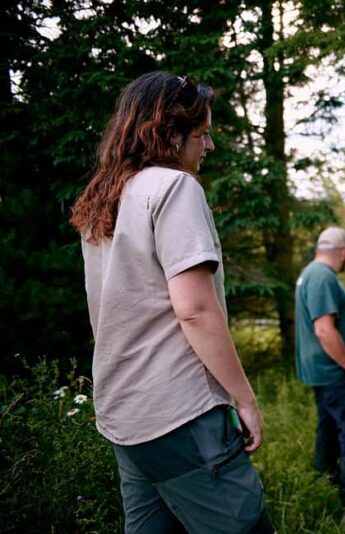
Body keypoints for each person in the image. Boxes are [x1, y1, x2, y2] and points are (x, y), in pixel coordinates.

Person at [70, 71, 273, 533]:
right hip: (181, 412)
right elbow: (195, 309)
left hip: (125, 414)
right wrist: (244, 400)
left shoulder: (104, 200)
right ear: (169, 134)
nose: (210, 146)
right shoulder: (174, 188)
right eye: (202, 134)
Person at [294, 227, 345, 533]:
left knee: (329, 431)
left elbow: (328, 325)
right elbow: (323, 330)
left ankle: (325, 486)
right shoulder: (323, 277)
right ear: (343, 252)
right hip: (337, 375)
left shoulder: (310, 275)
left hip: (324, 374)